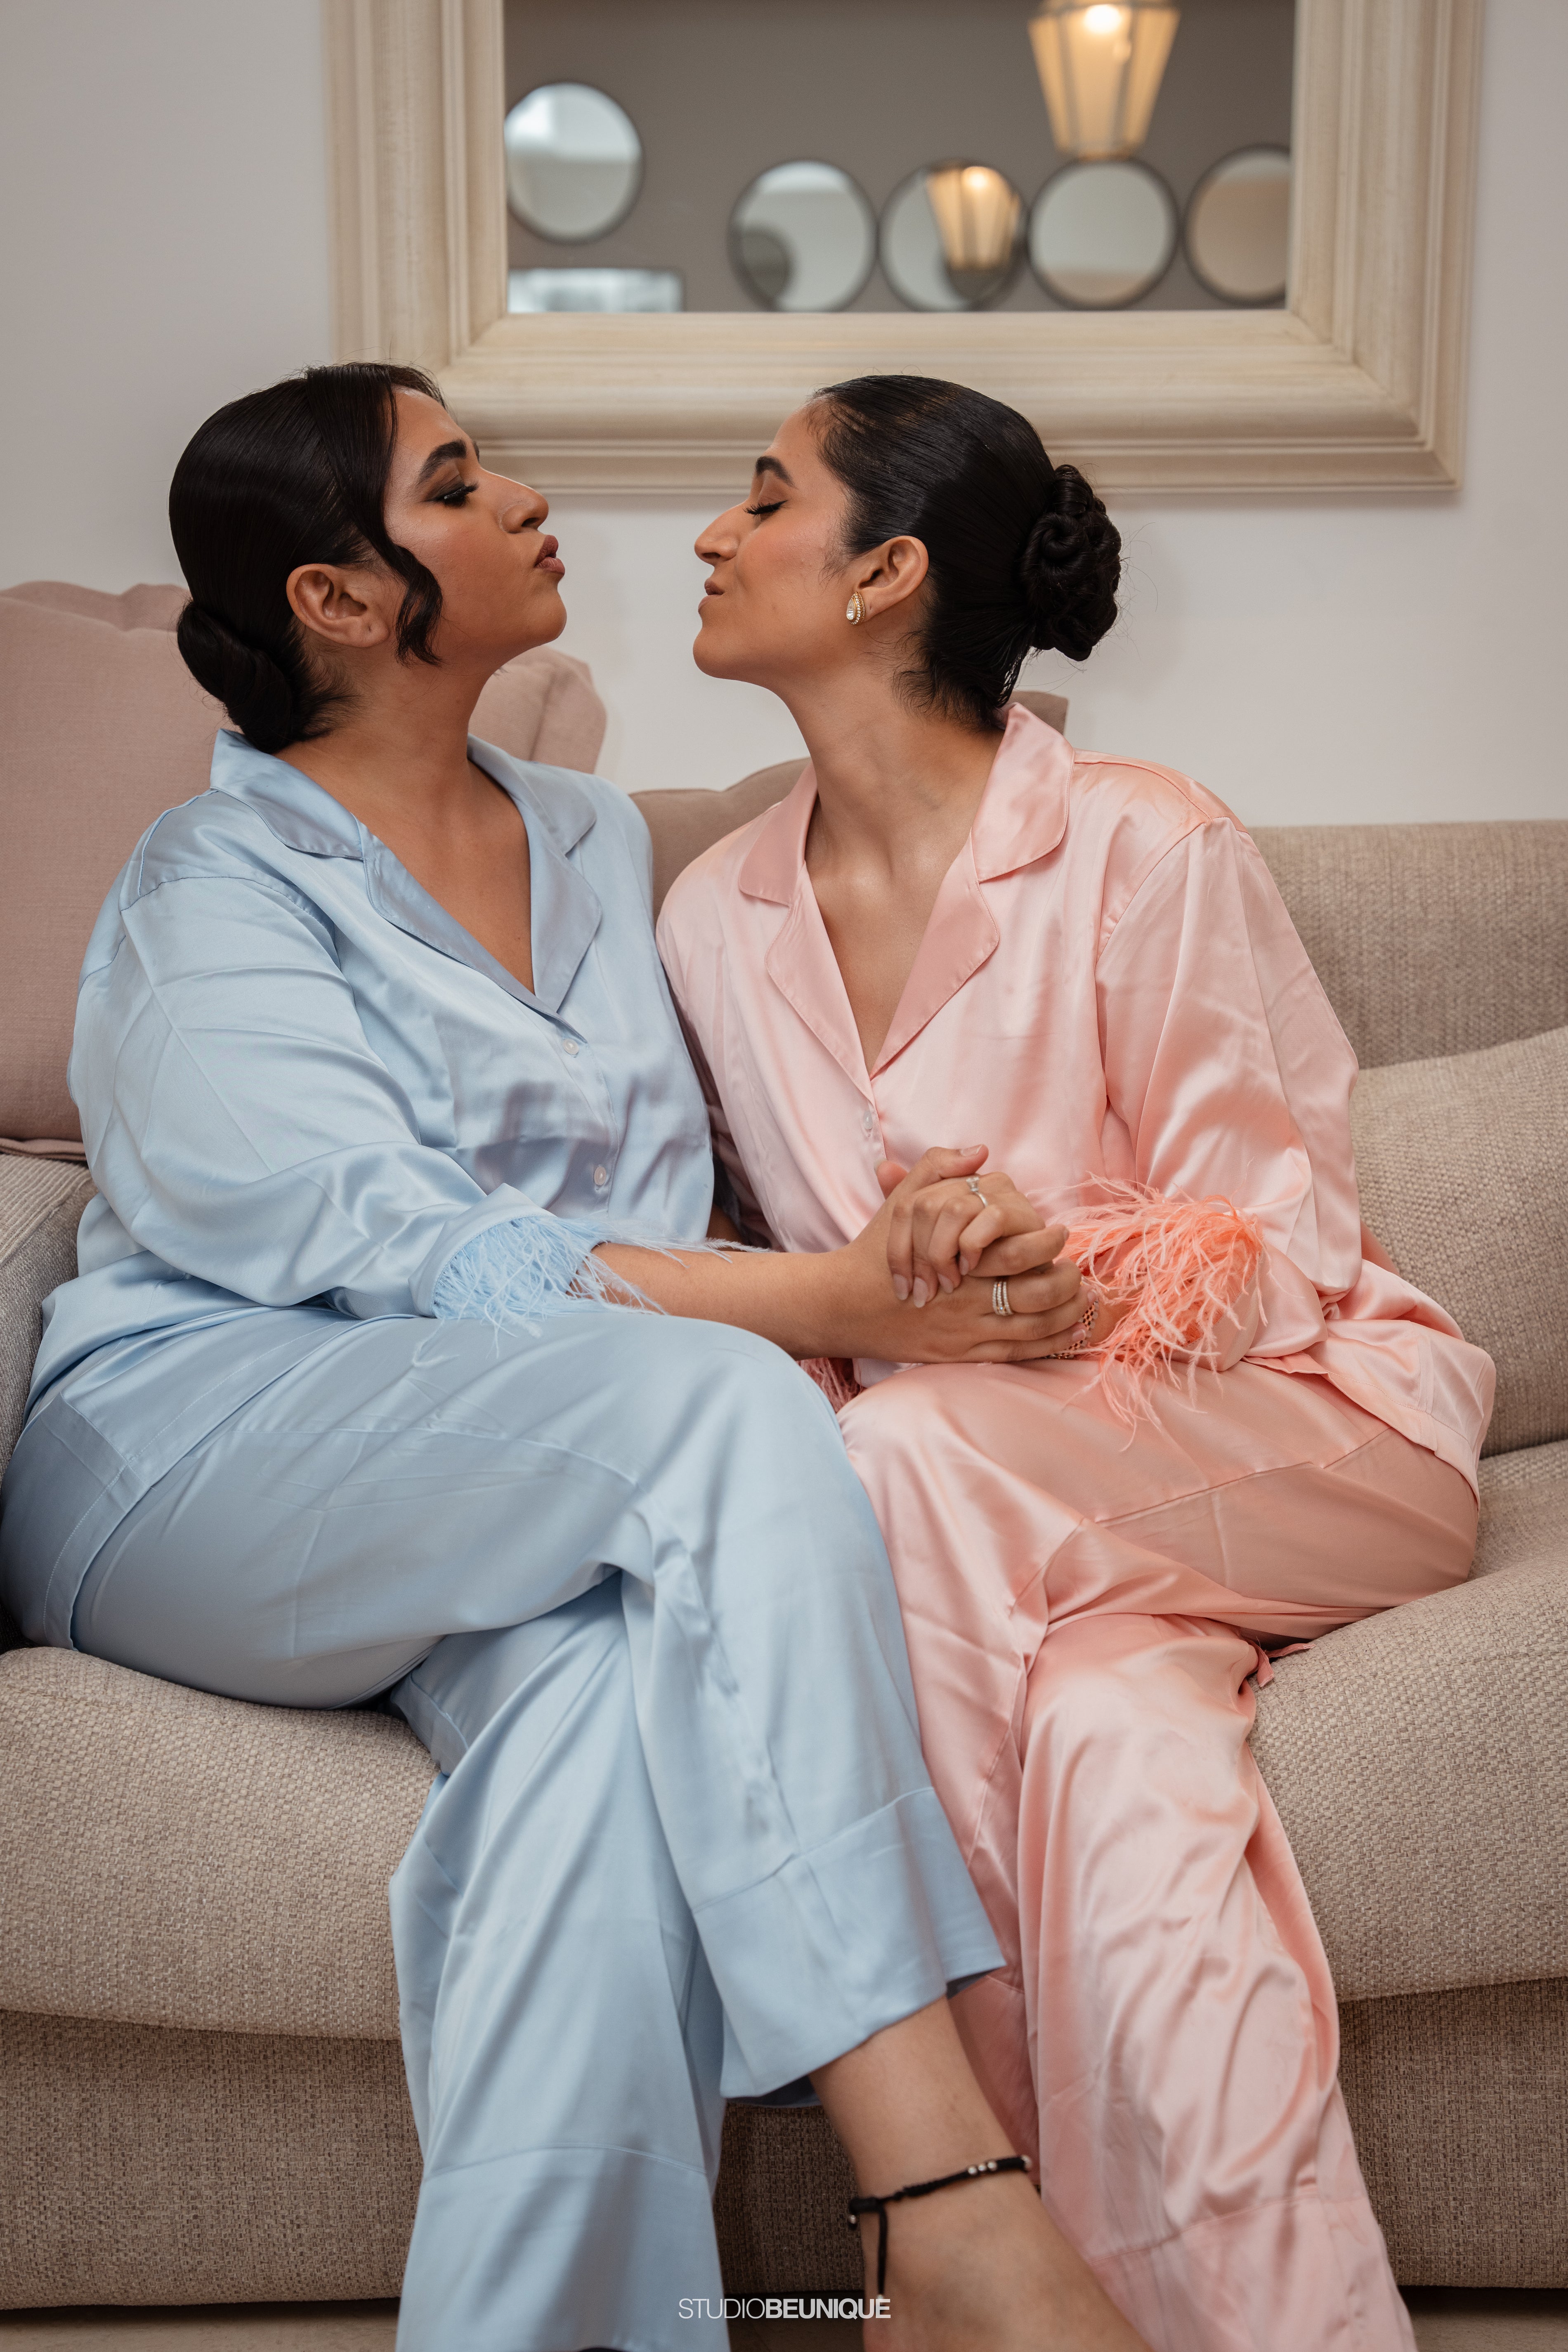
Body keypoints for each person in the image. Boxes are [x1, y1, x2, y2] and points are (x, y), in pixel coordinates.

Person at [0, 365, 1150, 2352]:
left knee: (610, 1742)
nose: (526, 498)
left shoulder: (595, 841)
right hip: (202, 1455)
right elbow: (409, 1258)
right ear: (339, 598)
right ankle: (943, 2200)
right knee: (709, 1404)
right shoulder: (209, 891)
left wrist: (915, 1229)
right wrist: (827, 1309)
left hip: (523, 1475)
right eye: (456, 483)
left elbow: (668, 1197)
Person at [656, 375, 1495, 2352]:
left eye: (761, 497)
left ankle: (954, 2234)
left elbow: (1272, 1247)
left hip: (1309, 1443)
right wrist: (871, 1297)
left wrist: (1029, 1263)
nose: (710, 533)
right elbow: (774, 1274)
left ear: (883, 572)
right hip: (1046, 1560)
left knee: (911, 1459)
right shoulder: (711, 918)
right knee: (1121, 1783)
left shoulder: (1142, 840)